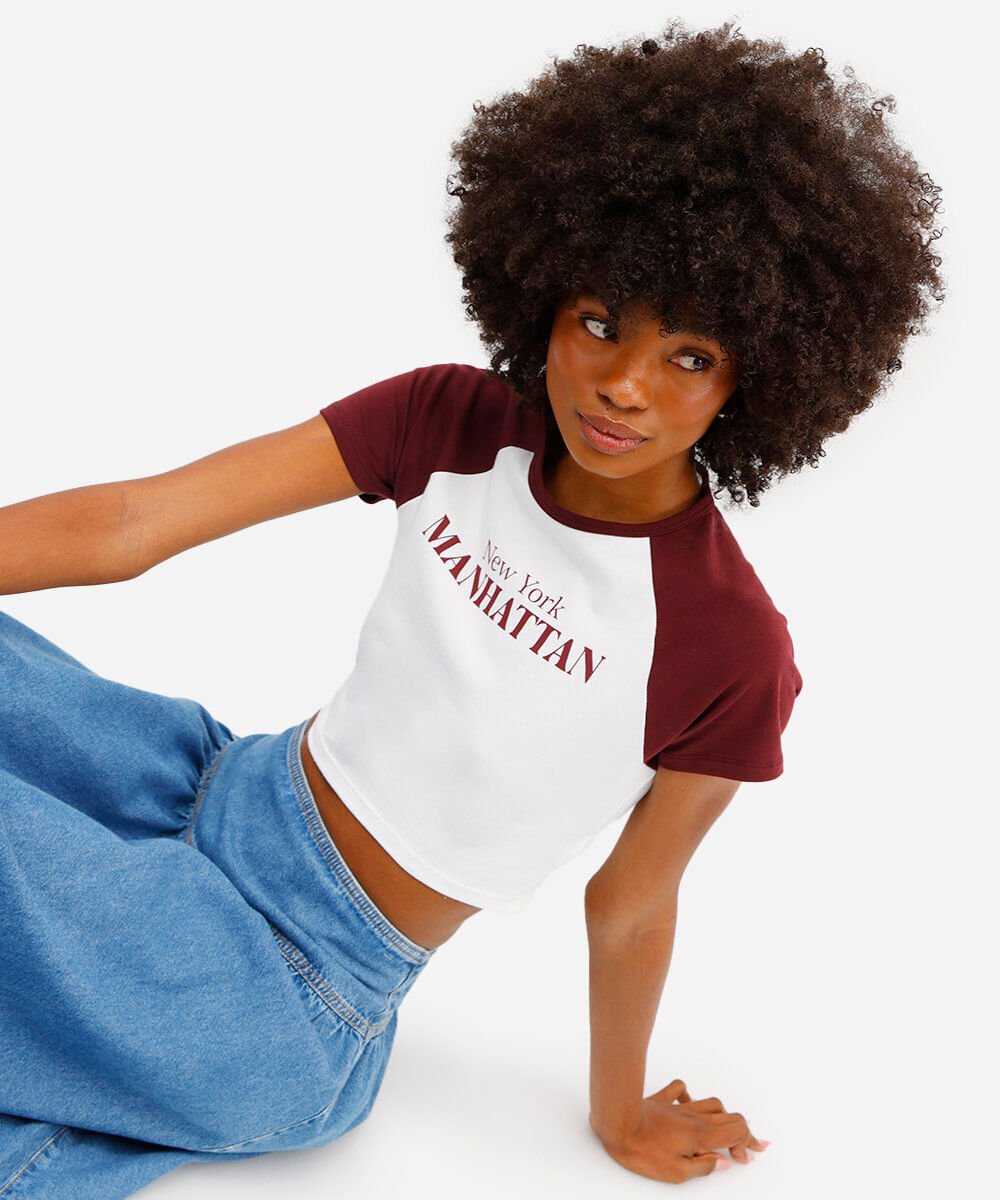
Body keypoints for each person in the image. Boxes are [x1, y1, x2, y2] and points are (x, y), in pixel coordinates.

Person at [0, 18, 945, 1197]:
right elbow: (137, 524)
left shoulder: (726, 645)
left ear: (755, 379)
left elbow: (631, 903)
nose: (624, 385)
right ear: (542, 296)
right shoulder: (450, 421)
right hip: (204, 788)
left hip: (282, 988)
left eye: (689, 357)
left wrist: (619, 1114)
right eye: (599, 323)